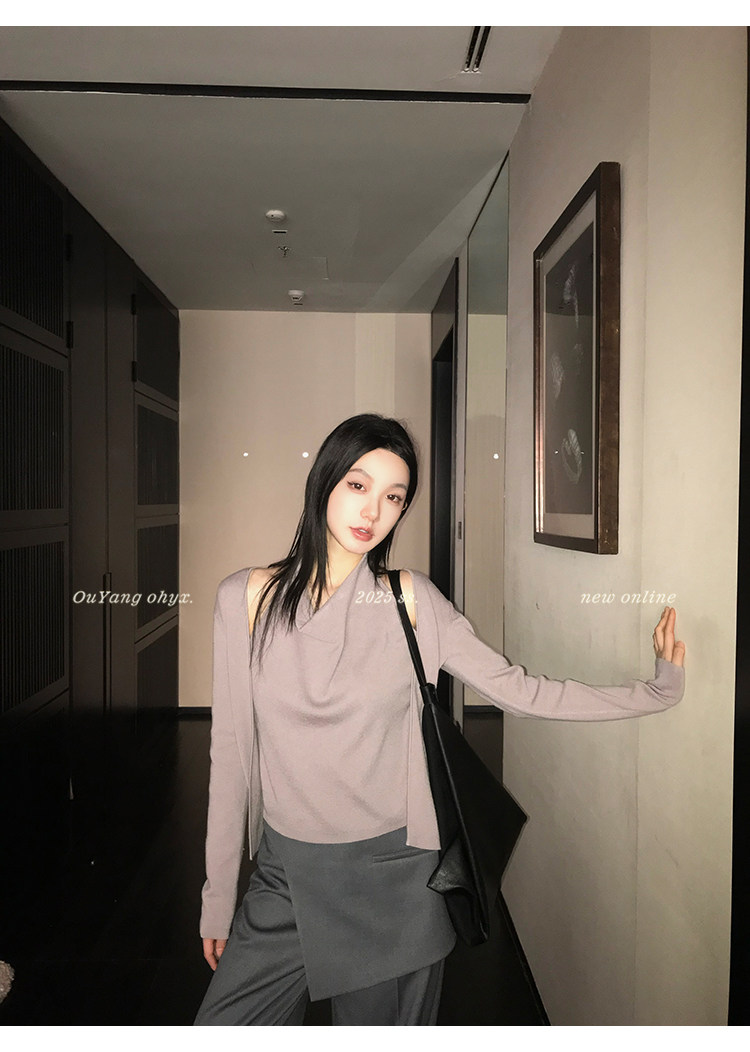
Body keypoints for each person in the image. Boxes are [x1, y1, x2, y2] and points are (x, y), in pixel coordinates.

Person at [194, 413, 685, 1027]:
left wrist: (657, 690)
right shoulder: (245, 599)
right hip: (285, 875)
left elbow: (520, 691)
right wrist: (218, 898)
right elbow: (230, 757)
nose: (373, 511)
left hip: (394, 882)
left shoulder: (411, 602)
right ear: (323, 482)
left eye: (393, 497)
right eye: (357, 485)